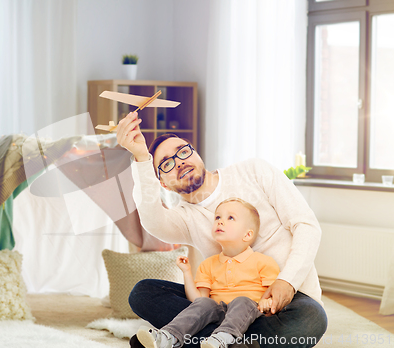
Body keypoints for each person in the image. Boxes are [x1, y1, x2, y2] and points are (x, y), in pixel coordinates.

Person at [116, 112, 328, 348]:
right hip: (224, 306)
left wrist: (287, 282)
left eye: (183, 152)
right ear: (163, 183)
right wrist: (141, 158)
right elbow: (151, 219)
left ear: (195, 153)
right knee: (143, 293)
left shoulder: (253, 171)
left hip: (288, 296)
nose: (179, 162)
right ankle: (233, 342)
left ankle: (193, 340)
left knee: (312, 320)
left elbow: (306, 225)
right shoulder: (183, 218)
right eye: (166, 164)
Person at [136, 198, 280, 348]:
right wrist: (187, 273)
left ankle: (222, 339)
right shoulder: (208, 264)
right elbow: (198, 300)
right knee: (206, 303)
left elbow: (274, 294)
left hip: (250, 314)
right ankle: (168, 337)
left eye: (230, 218)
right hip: (218, 314)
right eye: (218, 217)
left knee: (242, 301)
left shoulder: (264, 262)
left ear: (247, 235)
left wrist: (267, 302)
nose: (220, 221)